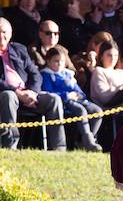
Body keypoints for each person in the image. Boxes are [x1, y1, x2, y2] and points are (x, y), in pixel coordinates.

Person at [0, 17, 66, 150]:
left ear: (10, 34)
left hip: (28, 92)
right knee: (8, 96)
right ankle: (10, 145)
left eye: (4, 32)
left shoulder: (19, 50)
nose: (1, 35)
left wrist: (32, 92)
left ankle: (59, 148)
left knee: (54, 100)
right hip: (8, 94)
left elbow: (34, 73)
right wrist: (17, 93)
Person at [39, 47, 103, 151]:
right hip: (64, 102)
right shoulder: (46, 74)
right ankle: (88, 141)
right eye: (56, 61)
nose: (60, 64)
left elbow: (77, 88)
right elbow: (49, 93)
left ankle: (86, 141)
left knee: (97, 111)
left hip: (77, 99)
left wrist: (79, 94)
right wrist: (67, 95)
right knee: (81, 111)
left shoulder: (67, 74)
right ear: (48, 61)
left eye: (62, 61)